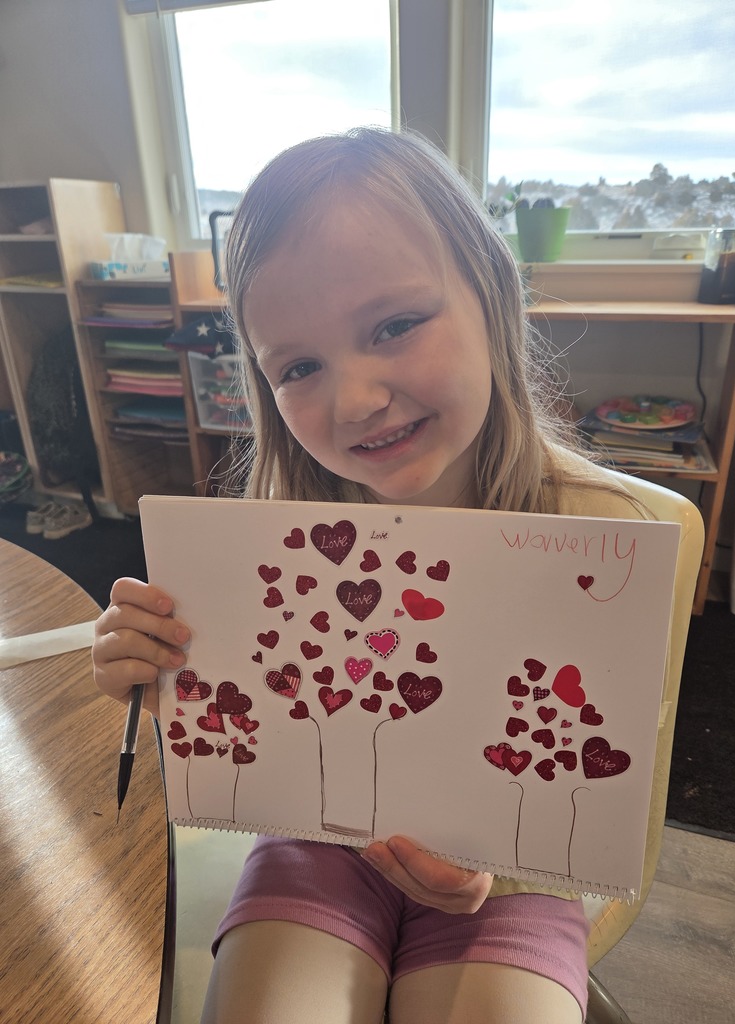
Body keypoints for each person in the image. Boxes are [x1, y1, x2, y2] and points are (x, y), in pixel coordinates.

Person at [93, 127, 646, 1024]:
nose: (353, 400)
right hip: (319, 841)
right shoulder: (276, 534)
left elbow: (601, 783)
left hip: (518, 875)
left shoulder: (597, 537)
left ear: (494, 298)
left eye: (395, 325)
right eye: (300, 366)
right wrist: (169, 680)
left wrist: (494, 861)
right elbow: (259, 718)